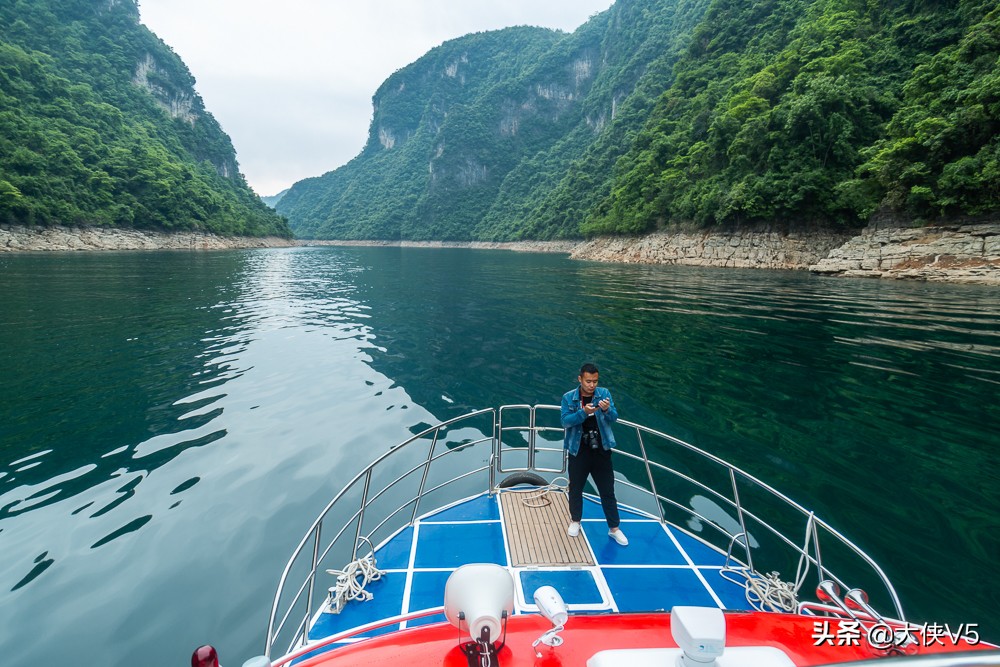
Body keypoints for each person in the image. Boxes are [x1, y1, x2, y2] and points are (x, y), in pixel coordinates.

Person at [560, 363, 627, 546]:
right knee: (576, 488)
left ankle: (614, 528)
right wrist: (583, 412)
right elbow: (565, 421)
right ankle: (575, 521)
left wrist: (606, 409)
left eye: (595, 381)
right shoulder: (569, 398)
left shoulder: (604, 394)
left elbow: (614, 417)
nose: (592, 385)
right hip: (578, 449)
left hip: (601, 449)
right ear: (580, 379)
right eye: (588, 381)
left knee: (607, 490)